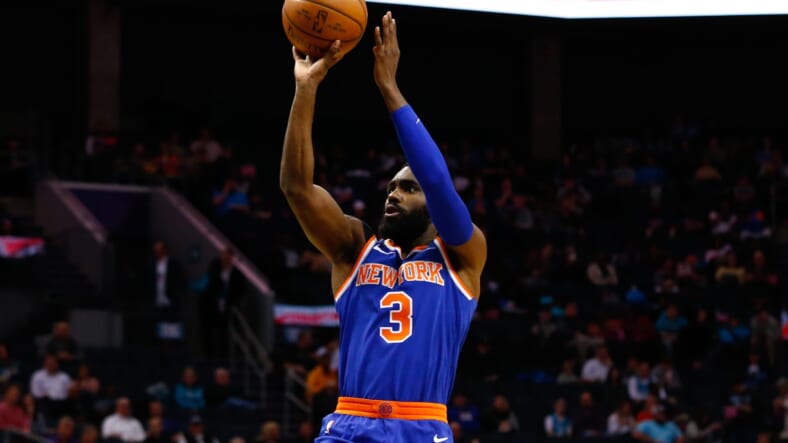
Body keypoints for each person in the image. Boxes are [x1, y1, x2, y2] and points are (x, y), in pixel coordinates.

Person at [279, 10, 487, 443]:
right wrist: (306, 89)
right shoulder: (354, 247)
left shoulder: (463, 257)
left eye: (408, 188)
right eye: (391, 187)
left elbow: (437, 180)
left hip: (420, 425)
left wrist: (389, 88)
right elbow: (296, 188)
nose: (393, 194)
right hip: (348, 423)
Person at [199, 247, 245, 358]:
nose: (225, 259)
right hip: (212, 305)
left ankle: (224, 357)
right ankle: (209, 356)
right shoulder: (215, 267)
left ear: (232, 258)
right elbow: (211, 283)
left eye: (228, 257)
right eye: (223, 256)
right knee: (209, 332)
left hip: (228, 306)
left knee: (224, 334)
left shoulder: (237, 273)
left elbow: (240, 290)